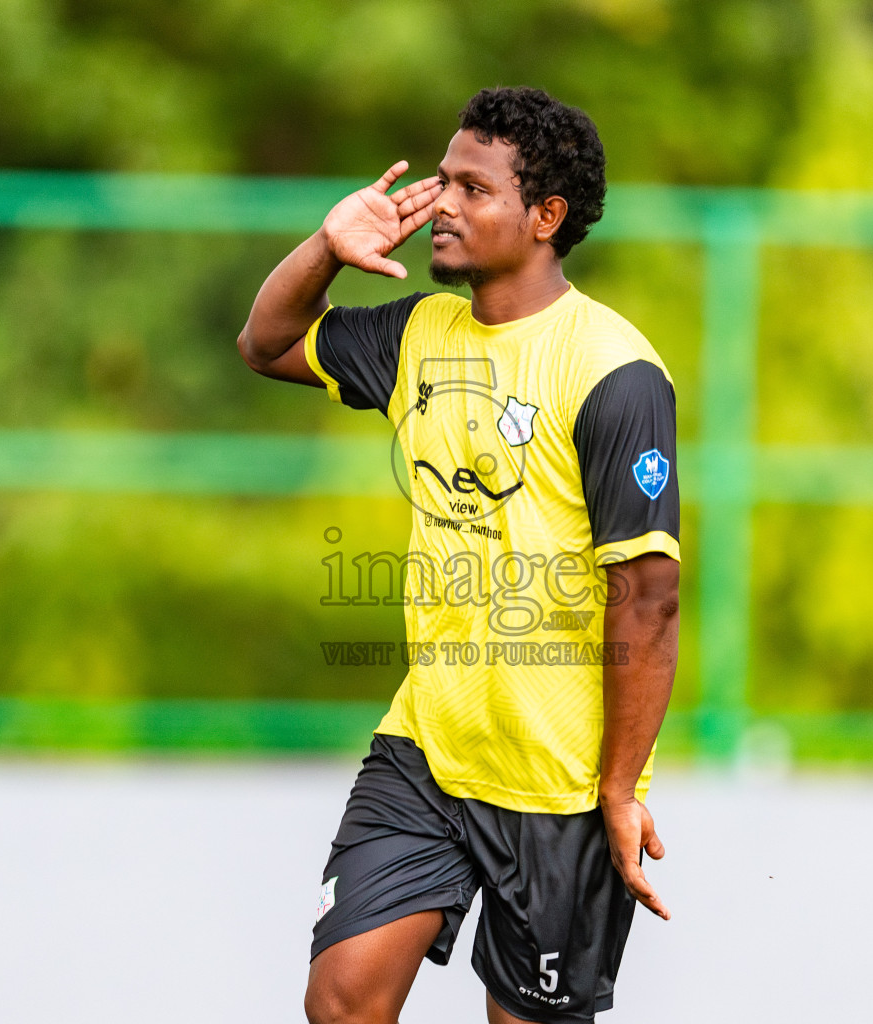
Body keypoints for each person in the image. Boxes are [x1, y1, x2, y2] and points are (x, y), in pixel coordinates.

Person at [237, 86, 680, 1024]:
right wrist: (326, 248)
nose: (441, 204)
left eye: (472, 188)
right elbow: (264, 341)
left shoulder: (613, 371)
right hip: (427, 755)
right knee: (341, 1000)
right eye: (441, 181)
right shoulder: (417, 337)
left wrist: (618, 787)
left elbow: (648, 598)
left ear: (545, 216)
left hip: (557, 787)